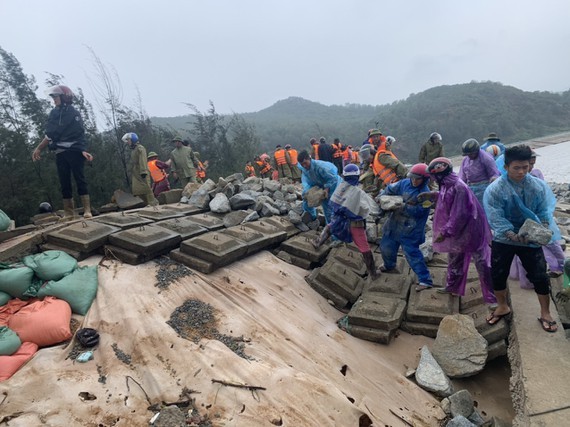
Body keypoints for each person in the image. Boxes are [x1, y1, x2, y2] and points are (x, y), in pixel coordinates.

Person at [483, 145, 559, 332]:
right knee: (498, 273)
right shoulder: (496, 189)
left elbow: (543, 211)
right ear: (506, 167)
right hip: (504, 238)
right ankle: (502, 306)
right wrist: (511, 233)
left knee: (540, 275)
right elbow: (495, 216)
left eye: (526, 167)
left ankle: (545, 312)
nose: (522, 171)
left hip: (530, 238)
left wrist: (542, 228)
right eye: (517, 167)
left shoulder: (536, 186)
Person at [418, 157, 496, 304]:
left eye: (434, 177)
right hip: (459, 229)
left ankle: (493, 297)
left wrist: (445, 232)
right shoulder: (447, 184)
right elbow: (446, 198)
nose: (433, 180)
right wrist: (433, 195)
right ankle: (452, 287)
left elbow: (459, 214)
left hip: (472, 228)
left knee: (482, 262)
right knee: (455, 258)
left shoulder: (459, 186)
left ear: (440, 174)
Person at [32, 85, 94, 220]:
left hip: (75, 149)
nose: (54, 99)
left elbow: (80, 133)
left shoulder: (73, 113)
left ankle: (87, 209)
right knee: (64, 182)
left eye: (56, 97)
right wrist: (39, 148)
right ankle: (68, 212)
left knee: (80, 179)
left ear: (64, 97)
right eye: (53, 97)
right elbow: (50, 134)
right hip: (60, 151)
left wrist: (83, 149)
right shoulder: (54, 113)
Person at [312, 164, 381, 279]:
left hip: (339, 220)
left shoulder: (341, 187)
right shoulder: (358, 192)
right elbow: (368, 210)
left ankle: (318, 242)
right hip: (355, 225)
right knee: (364, 248)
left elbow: (333, 203)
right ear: (357, 177)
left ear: (344, 177)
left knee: (330, 227)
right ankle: (373, 273)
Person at [509, 150, 565, 288]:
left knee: (552, 243)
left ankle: (561, 268)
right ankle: (528, 281)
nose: (531, 166)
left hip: (540, 216)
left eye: (532, 164)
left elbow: (545, 196)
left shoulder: (536, 175)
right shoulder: (516, 180)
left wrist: (544, 219)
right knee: (525, 249)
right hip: (524, 219)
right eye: (530, 163)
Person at [379, 164, 434, 291]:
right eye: (412, 178)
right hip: (394, 223)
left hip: (411, 228)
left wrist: (404, 206)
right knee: (386, 247)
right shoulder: (404, 183)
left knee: (412, 254)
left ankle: (425, 280)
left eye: (417, 179)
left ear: (425, 179)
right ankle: (389, 265)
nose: (414, 181)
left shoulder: (426, 194)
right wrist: (381, 198)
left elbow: (422, 211)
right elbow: (390, 189)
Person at [297, 150, 341, 224]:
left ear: (309, 159)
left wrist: (326, 189)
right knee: (306, 196)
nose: (304, 166)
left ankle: (333, 228)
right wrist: (309, 191)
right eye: (302, 164)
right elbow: (307, 180)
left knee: (328, 205)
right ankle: (311, 217)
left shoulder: (321, 167)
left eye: (305, 163)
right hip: (318, 184)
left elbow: (333, 179)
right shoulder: (304, 168)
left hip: (333, 184)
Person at [458, 138, 500, 206]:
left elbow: (494, 173)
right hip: (471, 188)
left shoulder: (486, 158)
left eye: (471, 154)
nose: (470, 156)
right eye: (468, 154)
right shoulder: (465, 161)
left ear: (476, 151)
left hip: (484, 188)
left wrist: (494, 179)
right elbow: (462, 177)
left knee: (484, 207)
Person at [122, 132, 157, 206]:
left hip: (142, 170)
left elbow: (142, 159)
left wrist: (143, 171)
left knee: (147, 188)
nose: (128, 142)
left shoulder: (140, 148)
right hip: (136, 171)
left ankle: (153, 202)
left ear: (133, 140)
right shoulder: (133, 150)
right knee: (137, 190)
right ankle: (146, 203)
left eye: (129, 140)